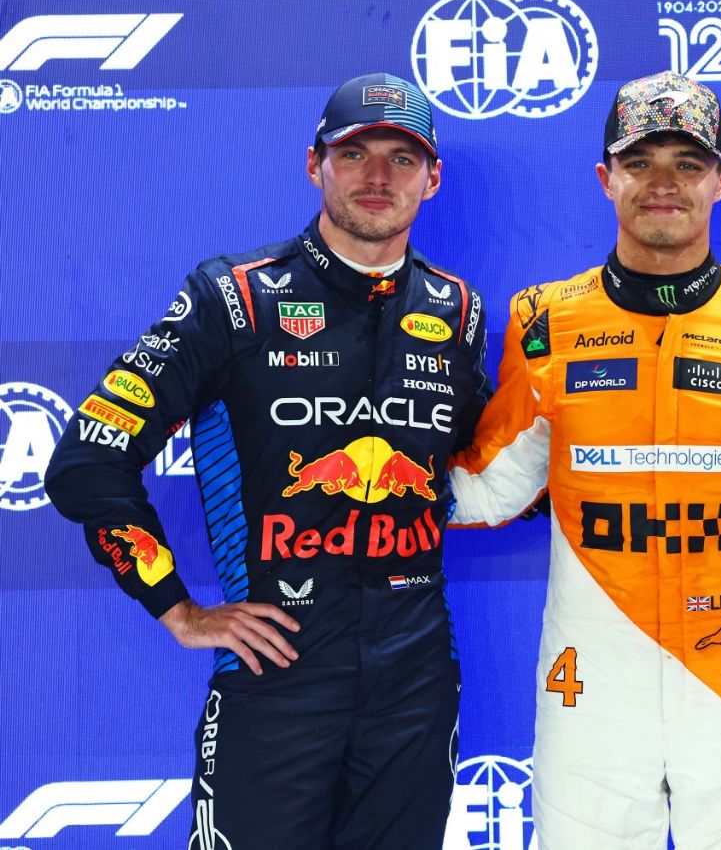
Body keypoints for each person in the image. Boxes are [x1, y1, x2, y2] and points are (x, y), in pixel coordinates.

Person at [46, 72, 489, 850]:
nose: (378, 177)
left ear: (434, 177)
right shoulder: (234, 298)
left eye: (402, 156)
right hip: (275, 681)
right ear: (314, 164)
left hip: (416, 688)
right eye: (355, 154)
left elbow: (494, 467)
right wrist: (178, 608)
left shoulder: (459, 311)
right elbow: (88, 459)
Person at [449, 70, 721, 850]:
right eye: (640, 162)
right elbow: (484, 491)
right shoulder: (544, 322)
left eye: (687, 164)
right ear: (606, 178)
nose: (663, 184)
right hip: (590, 686)